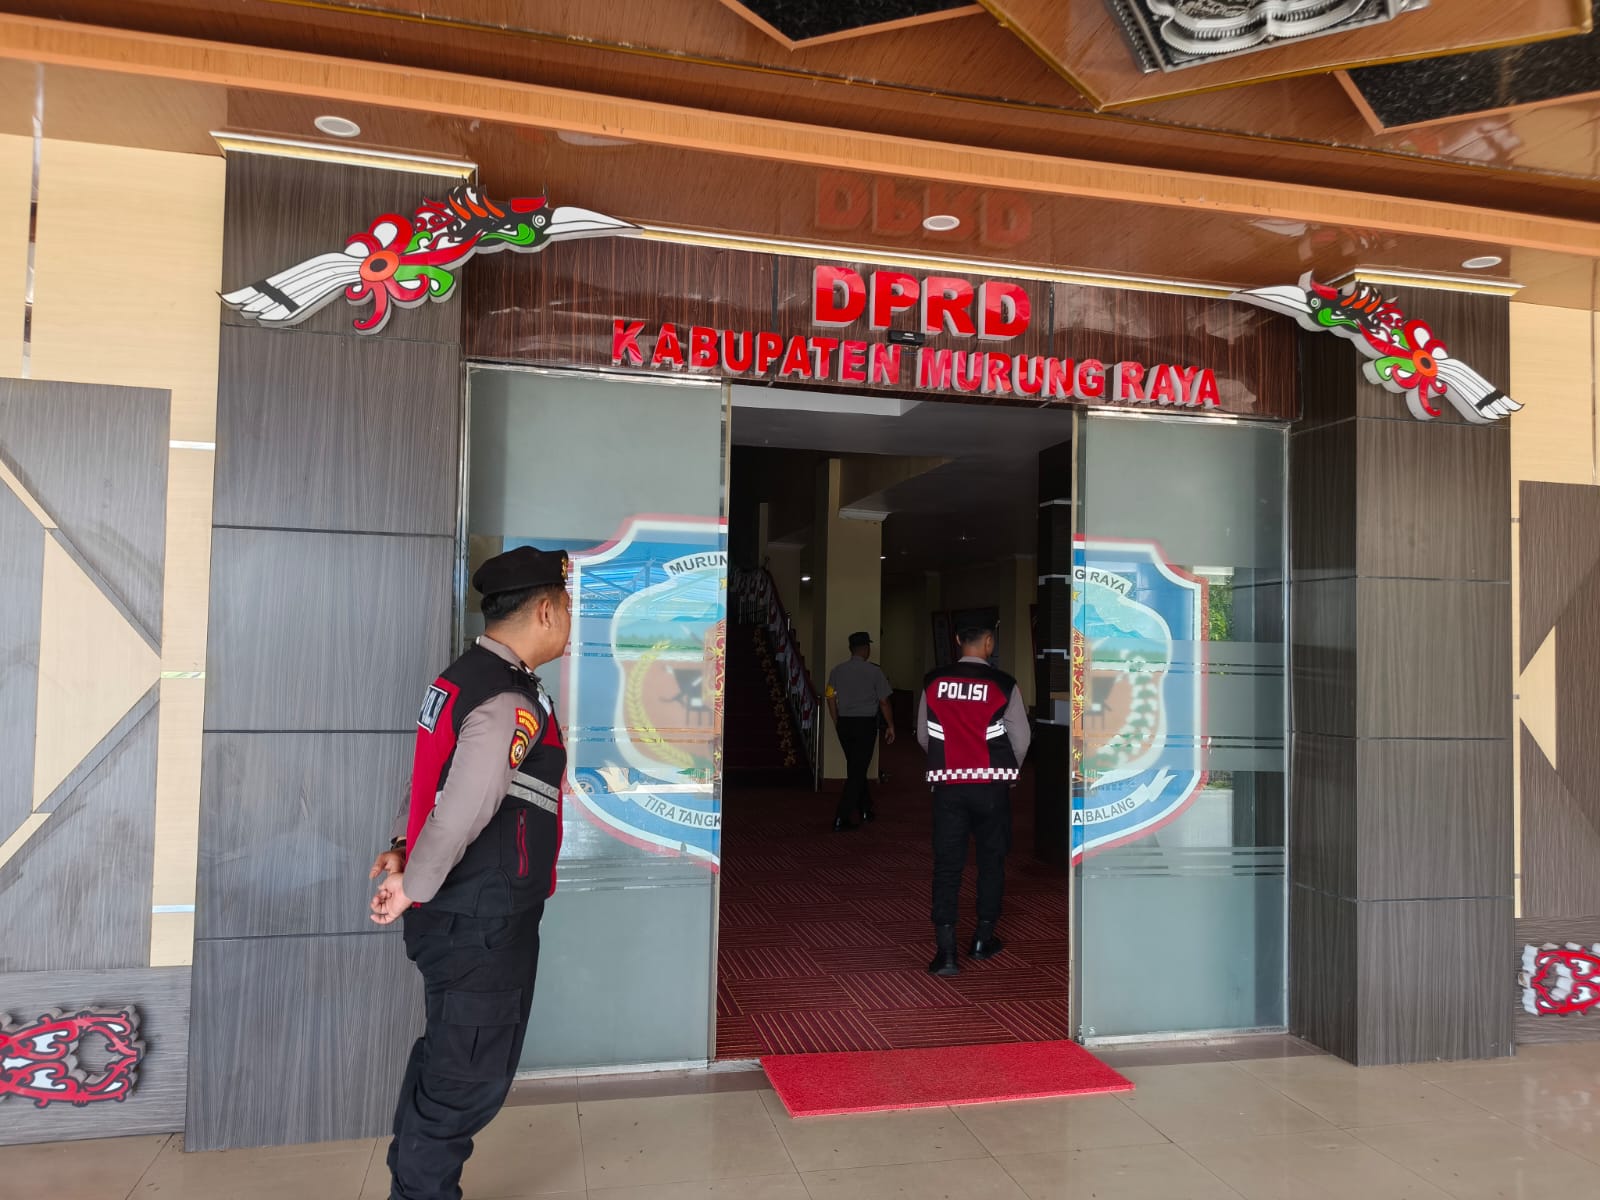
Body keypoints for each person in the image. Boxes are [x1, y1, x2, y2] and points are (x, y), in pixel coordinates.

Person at [369, 545, 572, 1200]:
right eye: (567, 607)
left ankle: (413, 1186)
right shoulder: (509, 698)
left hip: (463, 915)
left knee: (448, 1062)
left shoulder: (463, 678)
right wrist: (413, 885)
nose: (570, 621)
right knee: (465, 1080)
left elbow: (432, 779)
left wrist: (404, 847)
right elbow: (463, 809)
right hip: (480, 920)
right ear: (546, 610)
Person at [917, 619, 1030, 976]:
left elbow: (924, 736)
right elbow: (1021, 739)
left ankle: (946, 953)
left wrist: (947, 765)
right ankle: (983, 939)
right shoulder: (1004, 683)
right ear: (989, 643)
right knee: (991, 861)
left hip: (948, 787)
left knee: (947, 865)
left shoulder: (933, 681)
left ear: (956, 640)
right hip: (991, 787)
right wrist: (1007, 773)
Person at [825, 631, 896, 831]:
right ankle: (841, 817)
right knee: (857, 771)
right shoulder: (874, 672)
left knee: (856, 767)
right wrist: (891, 725)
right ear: (866, 649)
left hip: (844, 724)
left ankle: (866, 809)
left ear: (851, 649)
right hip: (865, 725)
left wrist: (837, 720)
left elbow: (830, 697)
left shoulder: (837, 670)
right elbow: (884, 701)